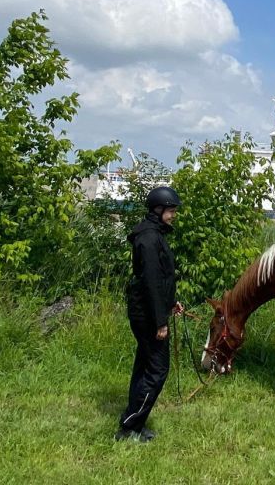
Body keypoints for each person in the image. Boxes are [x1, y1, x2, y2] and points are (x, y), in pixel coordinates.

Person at [115, 186, 184, 442]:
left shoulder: (152, 234)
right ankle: (129, 426)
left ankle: (133, 422)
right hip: (147, 315)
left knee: (145, 367)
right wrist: (160, 322)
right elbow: (151, 283)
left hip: (150, 311)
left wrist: (171, 303)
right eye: (171, 210)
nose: (174, 214)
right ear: (159, 209)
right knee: (157, 369)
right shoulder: (148, 238)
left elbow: (161, 278)